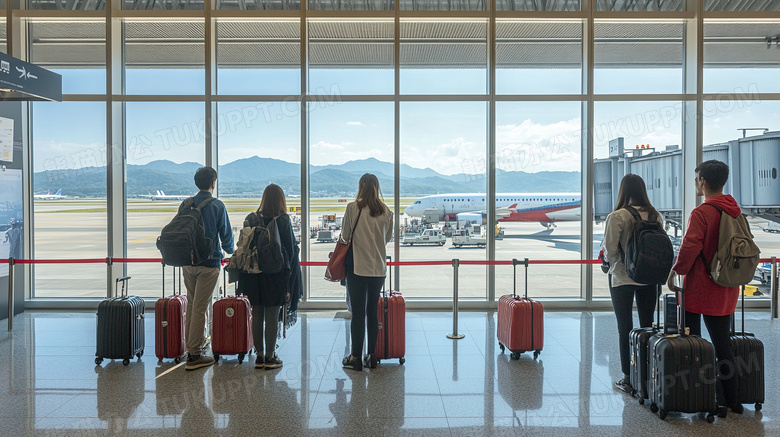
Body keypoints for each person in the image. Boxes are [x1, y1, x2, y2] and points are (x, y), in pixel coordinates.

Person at [666, 160, 742, 415]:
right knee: (723, 345)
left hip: (700, 290)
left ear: (703, 181)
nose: (695, 182)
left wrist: (676, 271)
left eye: (696, 177)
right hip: (727, 287)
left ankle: (697, 395)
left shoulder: (702, 212)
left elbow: (690, 247)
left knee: (694, 346)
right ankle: (732, 399)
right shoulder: (735, 211)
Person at [601, 174, 663, 393]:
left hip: (622, 278)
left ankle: (628, 378)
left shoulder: (617, 216)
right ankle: (647, 376)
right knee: (648, 326)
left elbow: (610, 251)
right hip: (650, 278)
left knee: (624, 328)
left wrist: (611, 263)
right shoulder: (656, 215)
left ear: (623, 191)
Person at [238, 183, 296, 370]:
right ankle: (271, 356)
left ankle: (259, 355)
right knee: (272, 314)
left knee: (257, 313)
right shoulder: (283, 220)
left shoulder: (251, 218)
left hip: (253, 274)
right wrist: (289, 282)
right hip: (275, 274)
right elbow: (290, 252)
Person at [183, 166, 234, 371]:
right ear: (213, 183)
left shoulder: (186, 204)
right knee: (200, 307)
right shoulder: (216, 205)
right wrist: (230, 251)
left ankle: (194, 344)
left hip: (187, 262)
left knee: (192, 305)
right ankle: (194, 355)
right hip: (209, 263)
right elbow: (226, 235)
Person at [341, 173, 393, 371]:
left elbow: (345, 235)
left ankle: (355, 357)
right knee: (372, 312)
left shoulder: (353, 208)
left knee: (358, 312)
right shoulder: (386, 211)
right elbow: (387, 238)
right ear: (377, 187)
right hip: (378, 268)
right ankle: (371, 356)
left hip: (357, 267)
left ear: (361, 186)